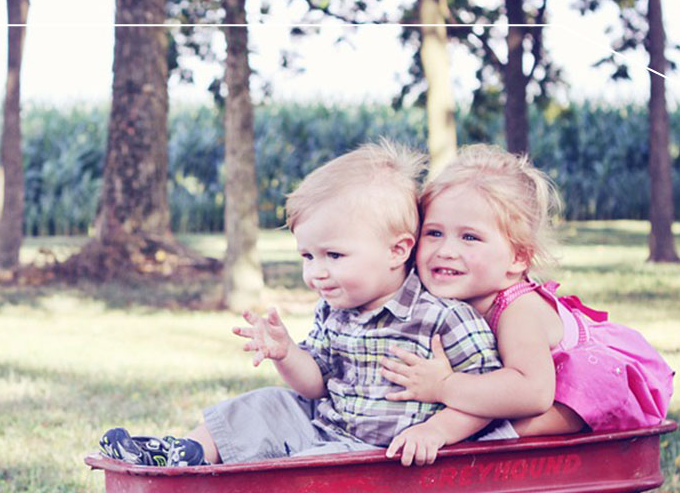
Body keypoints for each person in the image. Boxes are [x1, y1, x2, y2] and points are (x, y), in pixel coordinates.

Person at [99, 140, 513, 468]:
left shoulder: (442, 317)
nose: (317, 272)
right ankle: (185, 453)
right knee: (265, 403)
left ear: (397, 250)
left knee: (301, 469)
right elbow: (315, 384)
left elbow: (486, 399)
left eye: (333, 256)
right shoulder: (334, 308)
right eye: (307, 256)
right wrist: (287, 354)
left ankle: (221, 481)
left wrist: (436, 431)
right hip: (326, 426)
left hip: (378, 454)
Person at [380, 144, 673, 437]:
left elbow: (532, 392)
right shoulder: (446, 297)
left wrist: (444, 387)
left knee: (514, 417)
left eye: (470, 237)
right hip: (532, 383)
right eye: (434, 233)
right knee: (483, 405)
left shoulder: (518, 311)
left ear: (518, 258)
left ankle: (498, 437)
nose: (446, 250)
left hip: (592, 386)